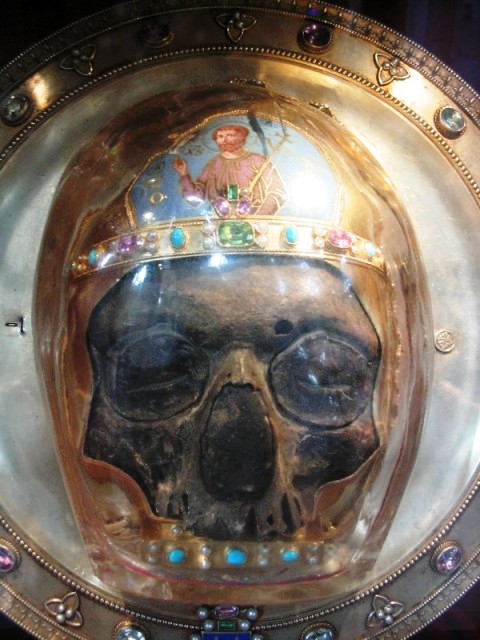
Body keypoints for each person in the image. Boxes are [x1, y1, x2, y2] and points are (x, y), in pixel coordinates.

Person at [172, 125, 287, 216]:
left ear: (241, 137)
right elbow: (197, 198)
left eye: (230, 135)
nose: (225, 140)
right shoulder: (213, 164)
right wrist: (184, 174)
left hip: (255, 220)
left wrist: (259, 218)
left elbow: (277, 192)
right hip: (221, 220)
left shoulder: (257, 160)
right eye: (220, 136)